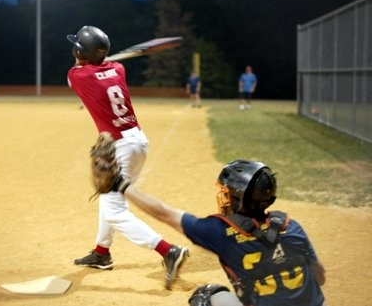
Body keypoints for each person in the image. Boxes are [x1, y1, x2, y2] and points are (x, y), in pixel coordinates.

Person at [66, 25, 189, 289]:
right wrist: (101, 61)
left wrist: (97, 62)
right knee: (108, 194)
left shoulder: (77, 75)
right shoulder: (119, 69)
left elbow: (86, 71)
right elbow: (104, 69)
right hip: (137, 141)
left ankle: (168, 251)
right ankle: (101, 252)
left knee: (115, 211)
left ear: (79, 52)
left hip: (121, 146)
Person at [118, 159, 327, 306]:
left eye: (227, 193)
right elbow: (319, 277)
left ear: (237, 197)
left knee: (206, 295)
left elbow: (164, 213)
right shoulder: (291, 226)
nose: (224, 197)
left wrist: (121, 184)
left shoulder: (221, 231)